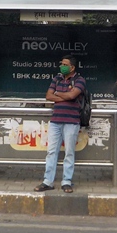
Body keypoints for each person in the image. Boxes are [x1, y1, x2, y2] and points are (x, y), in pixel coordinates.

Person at [35, 55, 86, 193]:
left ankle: (66, 181)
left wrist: (58, 93)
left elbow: (72, 96)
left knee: (69, 153)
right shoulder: (56, 79)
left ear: (72, 67)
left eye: (65, 64)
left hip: (72, 121)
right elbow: (48, 95)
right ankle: (48, 181)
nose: (62, 66)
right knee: (51, 152)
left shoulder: (79, 80)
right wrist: (65, 94)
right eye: (61, 63)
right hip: (55, 121)